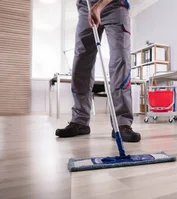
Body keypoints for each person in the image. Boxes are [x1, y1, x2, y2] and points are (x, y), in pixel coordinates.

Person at [56, 0, 140, 143]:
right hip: (86, 6)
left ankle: (122, 123)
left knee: (120, 60)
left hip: (115, 5)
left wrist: (99, 6)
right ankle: (80, 121)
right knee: (81, 63)